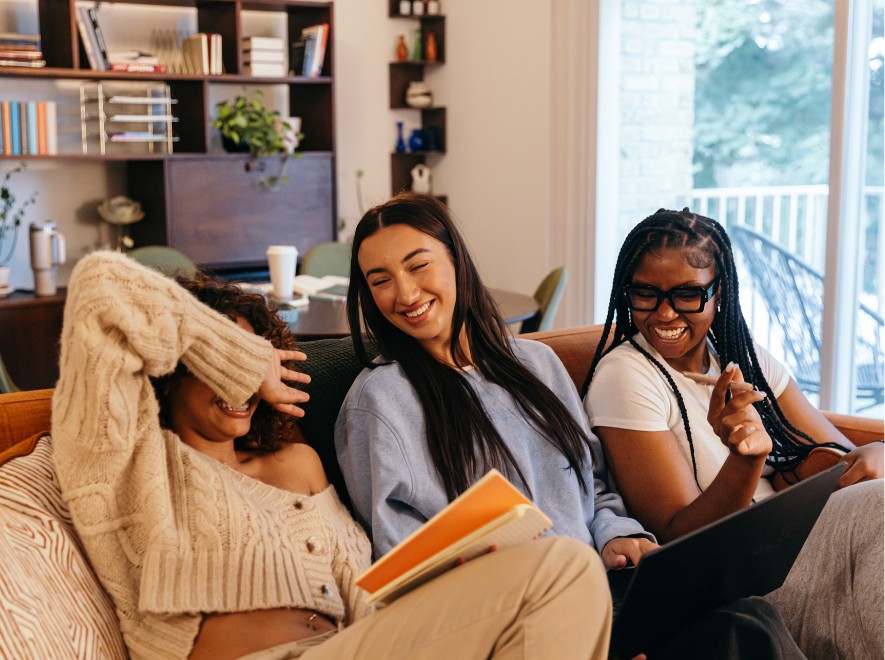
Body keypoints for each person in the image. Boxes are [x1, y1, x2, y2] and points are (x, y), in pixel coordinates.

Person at [50, 251, 616, 660]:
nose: (247, 378)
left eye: (261, 356)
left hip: (359, 645)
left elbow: (367, 595)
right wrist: (247, 361)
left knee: (568, 570)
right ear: (172, 367)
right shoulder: (131, 463)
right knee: (560, 568)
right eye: (225, 358)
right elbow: (100, 288)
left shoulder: (298, 465)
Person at [335, 192, 804, 659]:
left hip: (603, 590)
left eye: (418, 266)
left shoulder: (537, 364)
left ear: (455, 260)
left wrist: (618, 533)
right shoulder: (380, 400)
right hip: (513, 624)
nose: (405, 293)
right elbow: (400, 558)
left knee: (748, 618)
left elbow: (593, 485)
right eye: (381, 280)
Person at [581, 207, 884, 659]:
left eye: (687, 295)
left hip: (796, 537)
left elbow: (835, 457)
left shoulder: (740, 353)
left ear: (718, 293)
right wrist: (747, 461)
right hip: (753, 575)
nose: (664, 313)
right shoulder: (625, 376)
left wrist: (874, 451)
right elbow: (679, 537)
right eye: (645, 293)